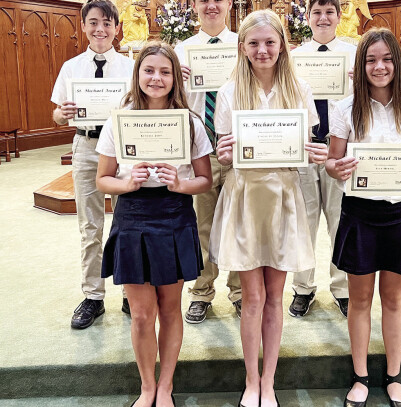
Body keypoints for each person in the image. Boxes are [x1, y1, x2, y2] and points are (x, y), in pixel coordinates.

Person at [209, 10, 327, 407]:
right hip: (245, 197)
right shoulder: (229, 92)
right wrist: (223, 152)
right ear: (242, 47)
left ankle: (270, 381)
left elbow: (305, 152)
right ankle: (250, 380)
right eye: (254, 43)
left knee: (275, 296)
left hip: (283, 197)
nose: (262, 50)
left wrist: (315, 153)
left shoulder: (300, 89)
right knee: (252, 297)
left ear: (283, 46)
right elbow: (225, 157)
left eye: (269, 42)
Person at [96, 41, 212, 407]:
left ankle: (166, 386)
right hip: (132, 215)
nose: (157, 78)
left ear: (175, 77)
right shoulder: (120, 119)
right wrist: (127, 183)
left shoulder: (190, 121)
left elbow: (205, 179)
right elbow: (103, 178)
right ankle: (147, 387)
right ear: (138, 74)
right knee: (143, 314)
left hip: (174, 214)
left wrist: (180, 183)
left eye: (165, 71)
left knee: (169, 307)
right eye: (149, 70)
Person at [325, 28, 401, 407]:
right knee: (359, 301)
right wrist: (336, 169)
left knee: (393, 299)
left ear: (397, 62)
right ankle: (359, 376)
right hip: (359, 213)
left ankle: (393, 377)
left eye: (387, 58)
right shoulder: (343, 108)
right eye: (371, 59)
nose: (380, 66)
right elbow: (331, 162)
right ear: (360, 65)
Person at [51, 0, 135, 329]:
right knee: (90, 226)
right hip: (86, 145)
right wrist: (63, 114)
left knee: (126, 223)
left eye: (107, 23)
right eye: (94, 23)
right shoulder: (72, 67)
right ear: (83, 26)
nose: (100, 29)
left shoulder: (131, 68)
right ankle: (93, 296)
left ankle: (131, 290)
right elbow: (56, 115)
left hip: (121, 147)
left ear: (116, 28)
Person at [174, 0, 242, 324]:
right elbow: (167, 105)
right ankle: (202, 291)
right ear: (195, 6)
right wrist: (178, 82)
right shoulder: (181, 51)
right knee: (203, 225)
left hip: (238, 148)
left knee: (241, 223)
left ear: (229, 3)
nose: (211, 5)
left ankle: (241, 291)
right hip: (201, 151)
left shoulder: (244, 46)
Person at [289, 0, 357, 318]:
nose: (323, 18)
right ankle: (303, 288)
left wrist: (360, 81)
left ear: (339, 16)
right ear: (308, 17)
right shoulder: (293, 58)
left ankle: (342, 288)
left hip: (339, 149)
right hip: (305, 146)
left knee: (340, 220)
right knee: (303, 222)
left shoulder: (354, 55)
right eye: (316, 12)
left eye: (329, 12)